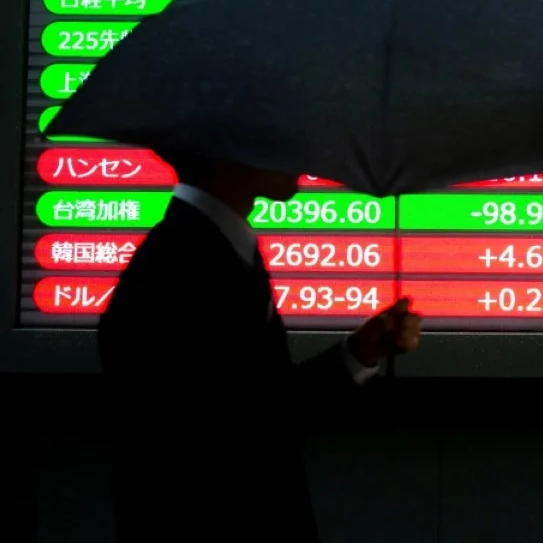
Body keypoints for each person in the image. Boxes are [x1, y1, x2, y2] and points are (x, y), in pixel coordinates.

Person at [99, 152, 420, 543]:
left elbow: (256, 406)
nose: (300, 153)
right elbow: (245, 433)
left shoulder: (207, 248)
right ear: (232, 149)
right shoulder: (186, 266)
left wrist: (358, 353)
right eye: (280, 137)